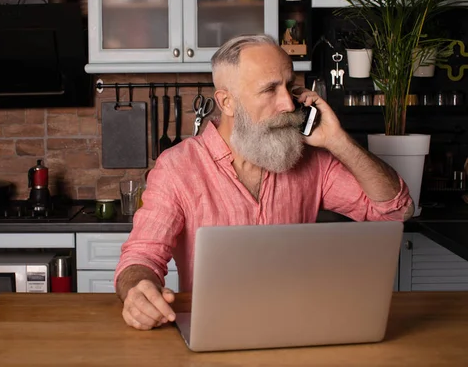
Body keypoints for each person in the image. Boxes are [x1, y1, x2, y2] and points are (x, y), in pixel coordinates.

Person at [114, 34, 414, 331]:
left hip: (300, 324)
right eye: (270, 90)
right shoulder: (178, 167)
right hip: (216, 328)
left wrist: (338, 141)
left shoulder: (313, 160)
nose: (287, 104)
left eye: (290, 87)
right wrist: (138, 290)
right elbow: (142, 256)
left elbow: (394, 211)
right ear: (227, 102)